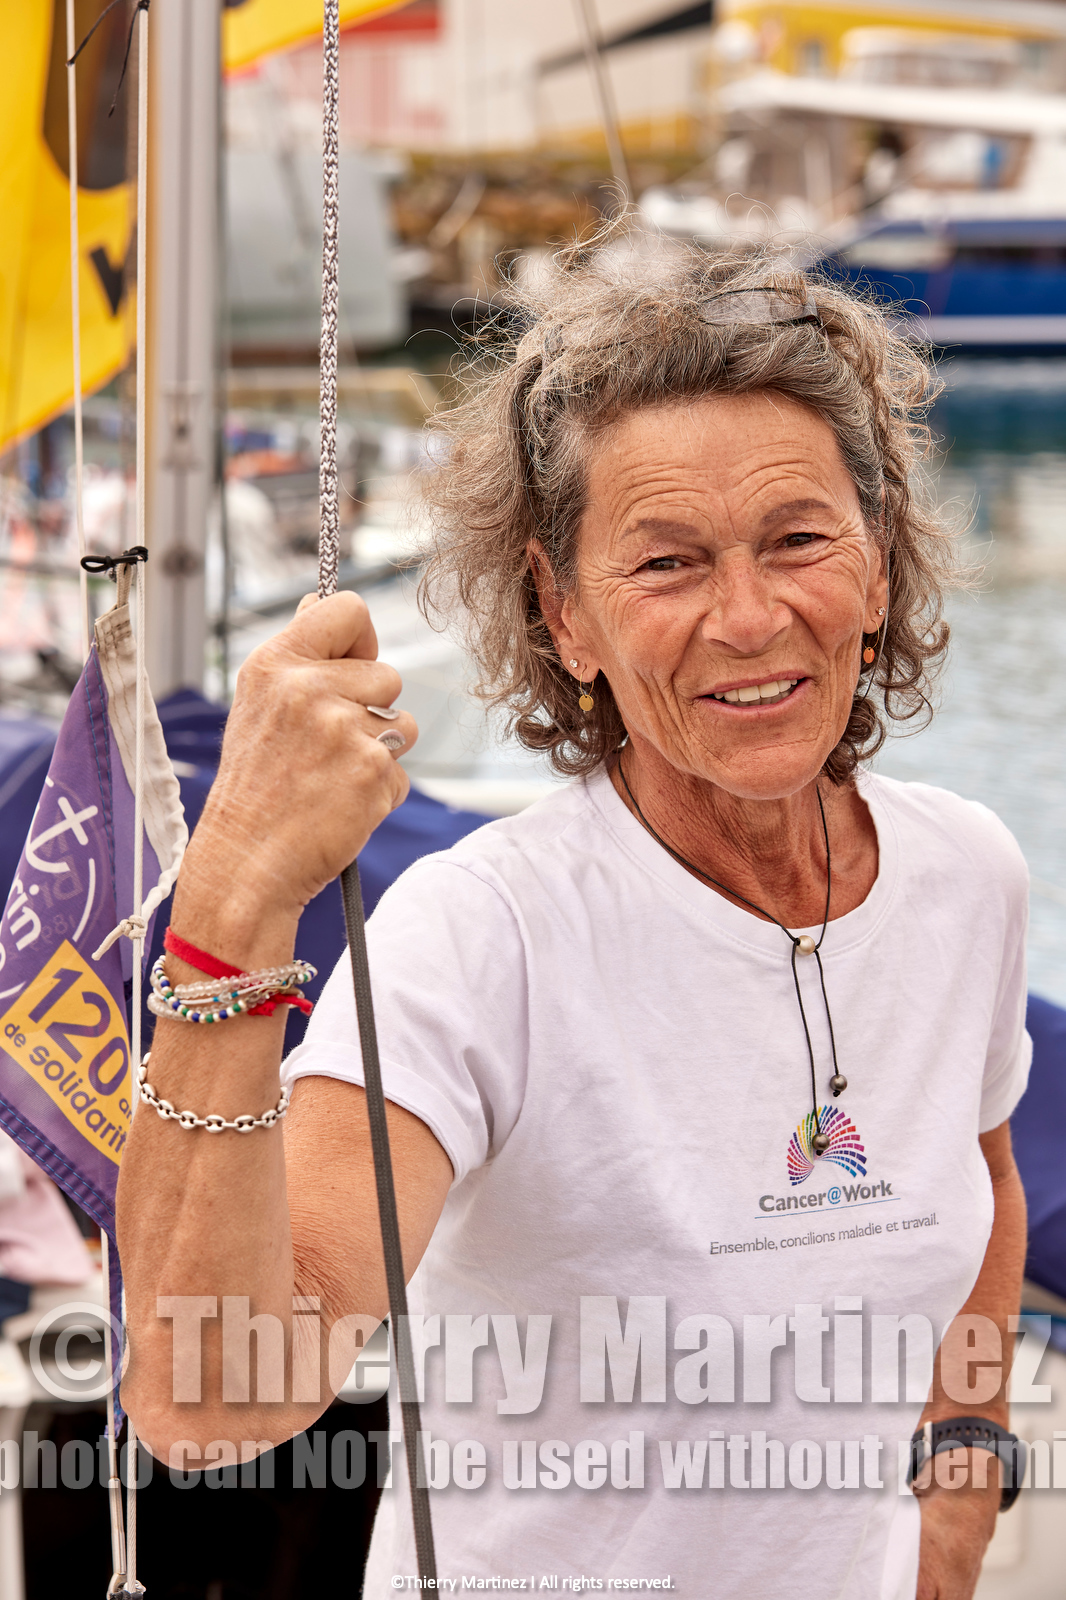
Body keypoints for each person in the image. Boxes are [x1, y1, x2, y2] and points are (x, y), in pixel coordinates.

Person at [117, 248, 1030, 1600]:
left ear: (879, 565)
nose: (747, 615)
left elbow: (981, 1187)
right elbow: (213, 1400)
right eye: (664, 562)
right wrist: (237, 892)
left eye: (797, 539)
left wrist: (959, 1475)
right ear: (565, 616)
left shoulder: (967, 873)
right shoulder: (482, 936)